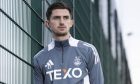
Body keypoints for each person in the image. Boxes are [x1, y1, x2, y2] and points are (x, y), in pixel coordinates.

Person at [33, 1, 104, 84]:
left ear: (71, 23)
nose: (62, 22)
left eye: (66, 17)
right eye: (56, 18)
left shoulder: (88, 50)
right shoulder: (39, 58)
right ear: (47, 24)